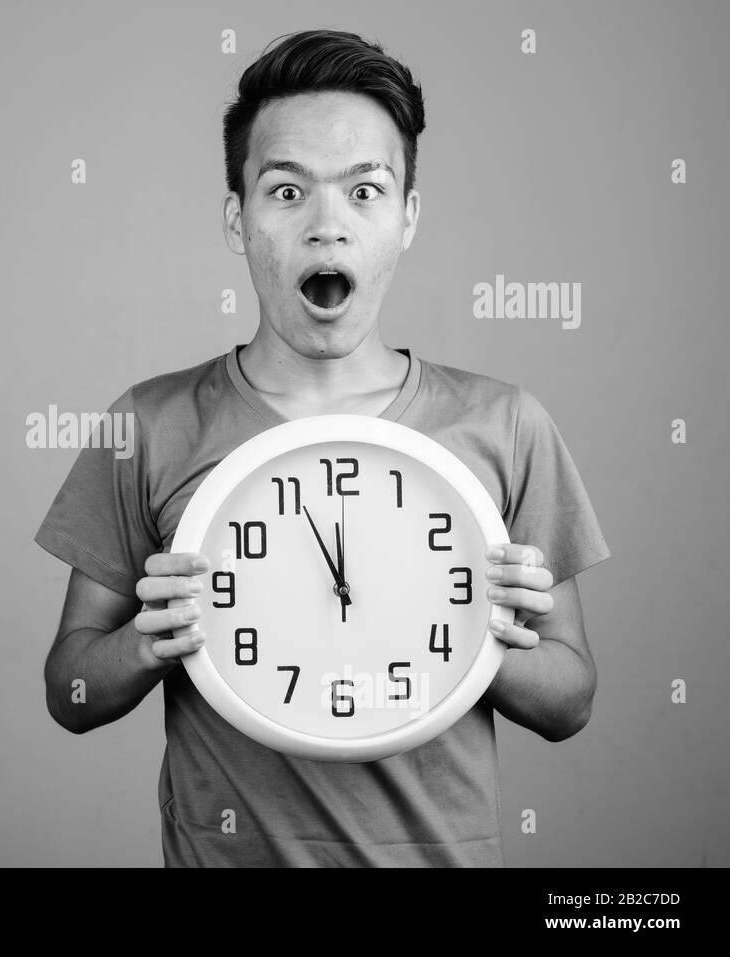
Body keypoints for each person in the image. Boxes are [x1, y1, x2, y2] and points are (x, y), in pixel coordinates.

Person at [33, 29, 611, 866]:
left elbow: (573, 701)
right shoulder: (150, 426)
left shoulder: (506, 423)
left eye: (365, 192)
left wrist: (483, 635)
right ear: (238, 218)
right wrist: (148, 640)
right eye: (287, 191)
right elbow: (70, 691)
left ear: (408, 216)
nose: (327, 227)